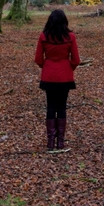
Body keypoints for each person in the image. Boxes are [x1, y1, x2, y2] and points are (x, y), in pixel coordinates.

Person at [34, 9, 80, 152]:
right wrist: (68, 67)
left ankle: (50, 142)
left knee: (50, 107)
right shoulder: (70, 36)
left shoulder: (44, 36)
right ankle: (60, 142)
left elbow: (38, 59)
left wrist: (46, 66)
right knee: (61, 107)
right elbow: (76, 60)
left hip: (49, 76)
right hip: (65, 76)